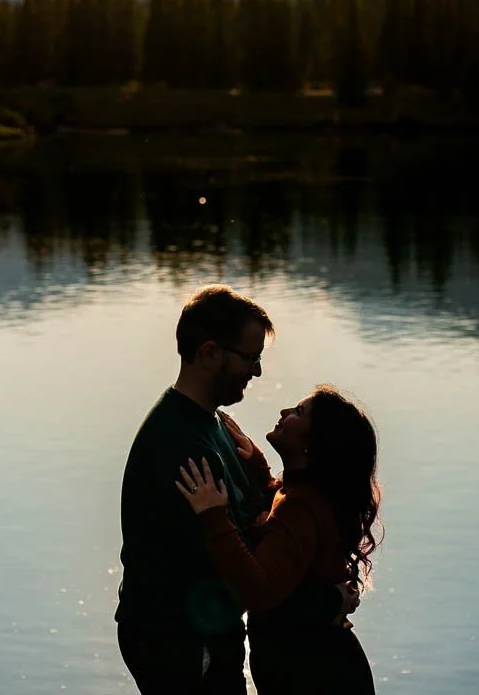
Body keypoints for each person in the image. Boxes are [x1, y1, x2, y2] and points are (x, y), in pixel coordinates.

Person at [116, 285, 350, 695]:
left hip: (205, 638)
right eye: (251, 358)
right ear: (209, 354)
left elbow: (258, 517)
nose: (257, 372)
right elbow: (238, 572)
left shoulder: (215, 425)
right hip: (181, 645)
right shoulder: (182, 448)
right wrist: (325, 603)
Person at [176, 386, 380, 695]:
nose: (284, 413)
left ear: (314, 445)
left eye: (299, 413)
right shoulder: (308, 495)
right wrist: (258, 469)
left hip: (316, 675)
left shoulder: (301, 507)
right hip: (325, 667)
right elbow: (283, 507)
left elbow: (258, 591)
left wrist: (214, 517)